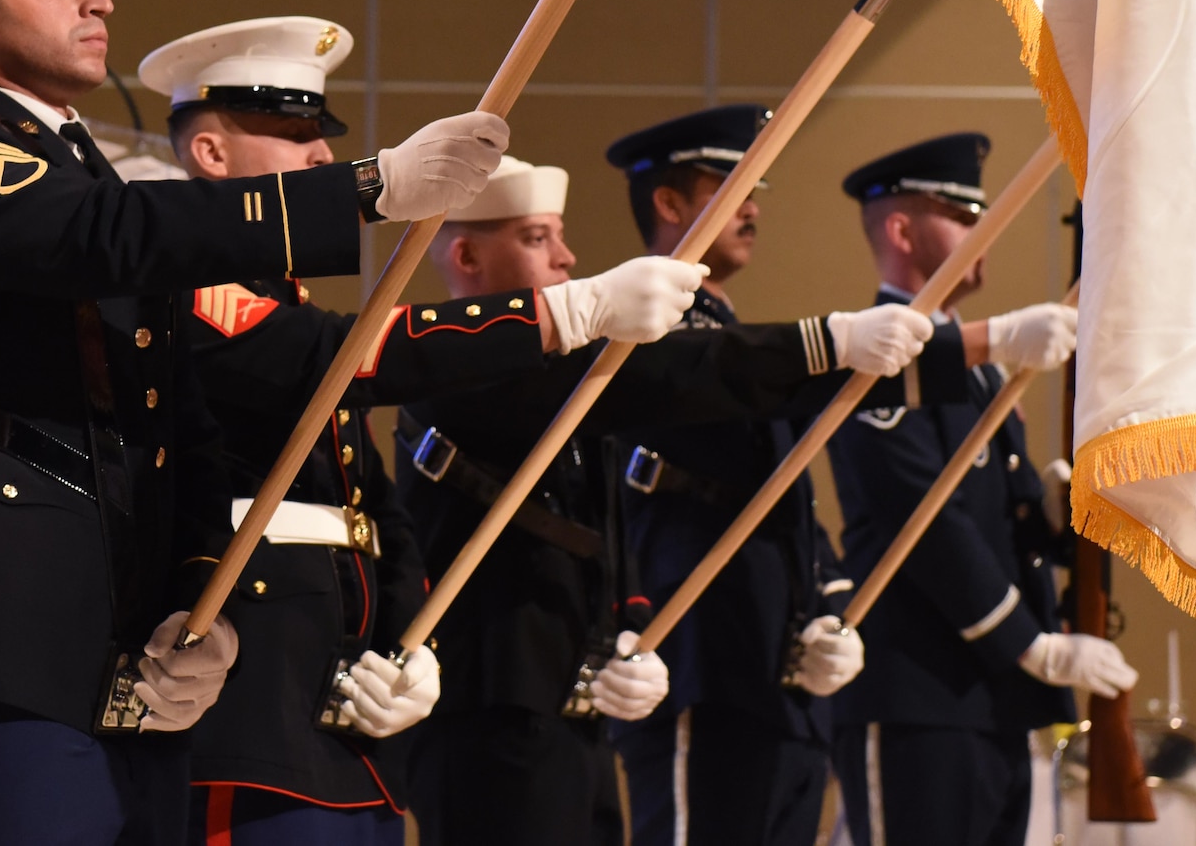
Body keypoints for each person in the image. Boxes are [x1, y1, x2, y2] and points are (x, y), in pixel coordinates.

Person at [0, 0, 511, 846]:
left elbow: (179, 428)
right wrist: (362, 191)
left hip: (129, 650)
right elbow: (99, 239)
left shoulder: (92, 179)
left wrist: (202, 607)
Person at [138, 16, 704, 846]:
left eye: (322, 134)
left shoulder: (281, 295)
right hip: (250, 712)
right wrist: (560, 313)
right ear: (212, 155)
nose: (322, 155)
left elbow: (373, 509)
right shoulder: (188, 286)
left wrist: (413, 644)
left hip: (349, 721)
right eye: (293, 133)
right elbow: (342, 359)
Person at [399, 148, 931, 846]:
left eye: (558, 234)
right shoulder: (462, 365)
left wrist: (629, 626)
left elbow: (605, 525)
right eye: (537, 238)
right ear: (465, 256)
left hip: (574, 703)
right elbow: (675, 374)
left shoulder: (566, 380)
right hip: (489, 704)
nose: (566, 256)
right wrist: (819, 342)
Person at [605, 104, 948, 846]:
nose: (753, 205)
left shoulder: (734, 338)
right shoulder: (647, 340)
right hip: (701, 660)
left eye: (757, 186)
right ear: (668, 203)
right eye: (729, 186)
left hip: (775, 674)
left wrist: (828, 607)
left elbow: (785, 500)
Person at [822, 133, 1133, 846]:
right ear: (901, 230)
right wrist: (1033, 645)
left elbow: (993, 515)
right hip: (919, 696)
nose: (982, 232)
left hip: (988, 697)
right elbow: (927, 526)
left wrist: (1047, 515)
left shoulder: (983, 366)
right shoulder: (879, 361)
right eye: (962, 217)